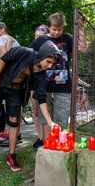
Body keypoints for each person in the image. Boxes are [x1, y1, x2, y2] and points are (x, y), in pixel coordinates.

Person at [0, 40, 62, 172]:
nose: (49, 66)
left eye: (52, 64)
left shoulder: (41, 74)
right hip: (0, 84)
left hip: (16, 91)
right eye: (48, 62)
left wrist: (50, 122)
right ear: (42, 55)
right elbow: (4, 59)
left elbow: (41, 98)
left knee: (14, 121)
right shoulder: (23, 52)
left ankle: (12, 155)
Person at [28, 12, 73, 140]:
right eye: (54, 29)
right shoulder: (41, 40)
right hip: (44, 86)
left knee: (62, 118)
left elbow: (82, 48)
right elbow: (29, 56)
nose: (57, 32)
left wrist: (80, 27)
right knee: (44, 119)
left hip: (63, 87)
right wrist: (32, 86)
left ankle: (59, 143)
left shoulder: (67, 39)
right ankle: (47, 144)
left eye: (60, 29)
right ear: (49, 27)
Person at [31, 25, 48, 149]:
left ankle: (46, 138)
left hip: (48, 87)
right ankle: (40, 137)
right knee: (36, 113)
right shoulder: (32, 51)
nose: (37, 39)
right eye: (36, 36)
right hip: (34, 86)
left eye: (40, 37)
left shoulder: (51, 51)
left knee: (45, 113)